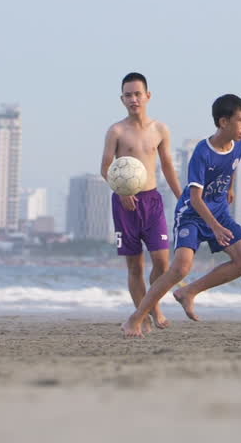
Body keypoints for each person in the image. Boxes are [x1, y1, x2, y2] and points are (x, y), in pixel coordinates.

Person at [121, 94, 241, 337]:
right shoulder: (202, 152)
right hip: (192, 215)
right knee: (180, 268)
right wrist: (214, 227)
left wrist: (231, 188)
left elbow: (232, 165)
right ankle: (135, 318)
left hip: (220, 212)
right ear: (223, 122)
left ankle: (188, 292)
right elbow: (195, 198)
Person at [100, 72, 185, 329]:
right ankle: (144, 315)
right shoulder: (116, 131)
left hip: (152, 201)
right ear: (122, 99)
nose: (133, 99)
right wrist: (122, 192)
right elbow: (105, 167)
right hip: (125, 203)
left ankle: (152, 306)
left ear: (148, 96)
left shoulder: (159, 129)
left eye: (138, 94)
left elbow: (168, 167)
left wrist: (183, 198)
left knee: (162, 263)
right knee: (135, 266)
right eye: (128, 95)